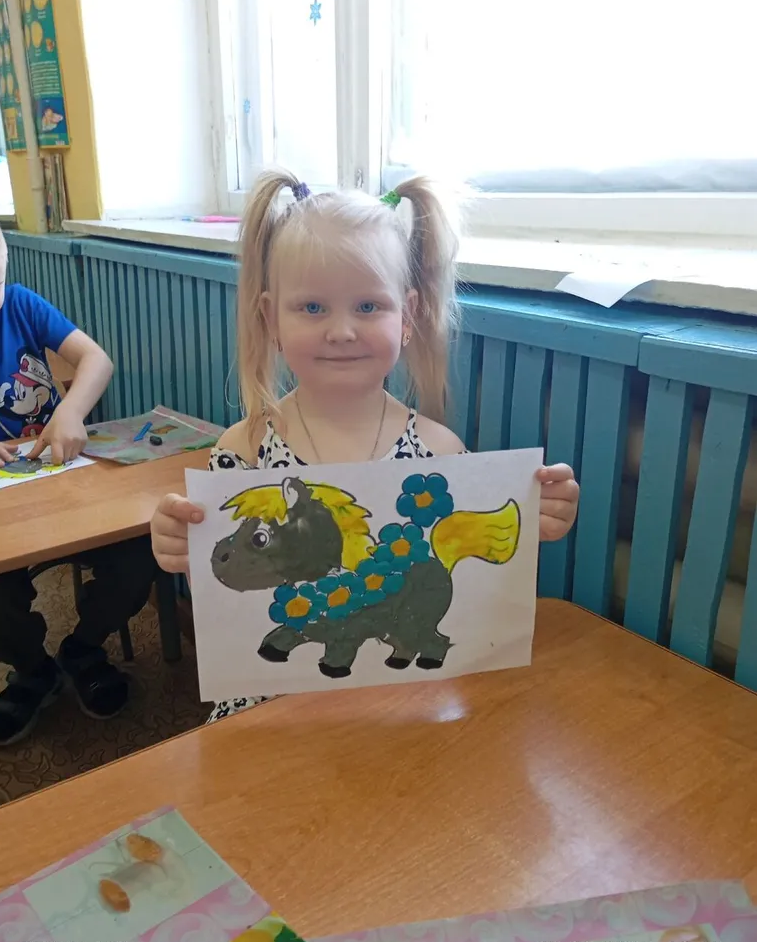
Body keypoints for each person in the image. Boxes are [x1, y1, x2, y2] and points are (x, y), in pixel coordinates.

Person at [150, 169, 580, 722]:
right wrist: (178, 547)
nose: (342, 331)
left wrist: (538, 517)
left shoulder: (440, 452)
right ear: (270, 318)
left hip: (406, 701)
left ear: (408, 316)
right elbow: (225, 591)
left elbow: (473, 581)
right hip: (274, 710)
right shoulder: (246, 450)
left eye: (369, 307)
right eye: (312, 308)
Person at [0, 209, 155, 747]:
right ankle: (33, 672)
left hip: (62, 481)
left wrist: (71, 412)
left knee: (138, 554)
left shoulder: (21, 305)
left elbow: (97, 361)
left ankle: (83, 649)